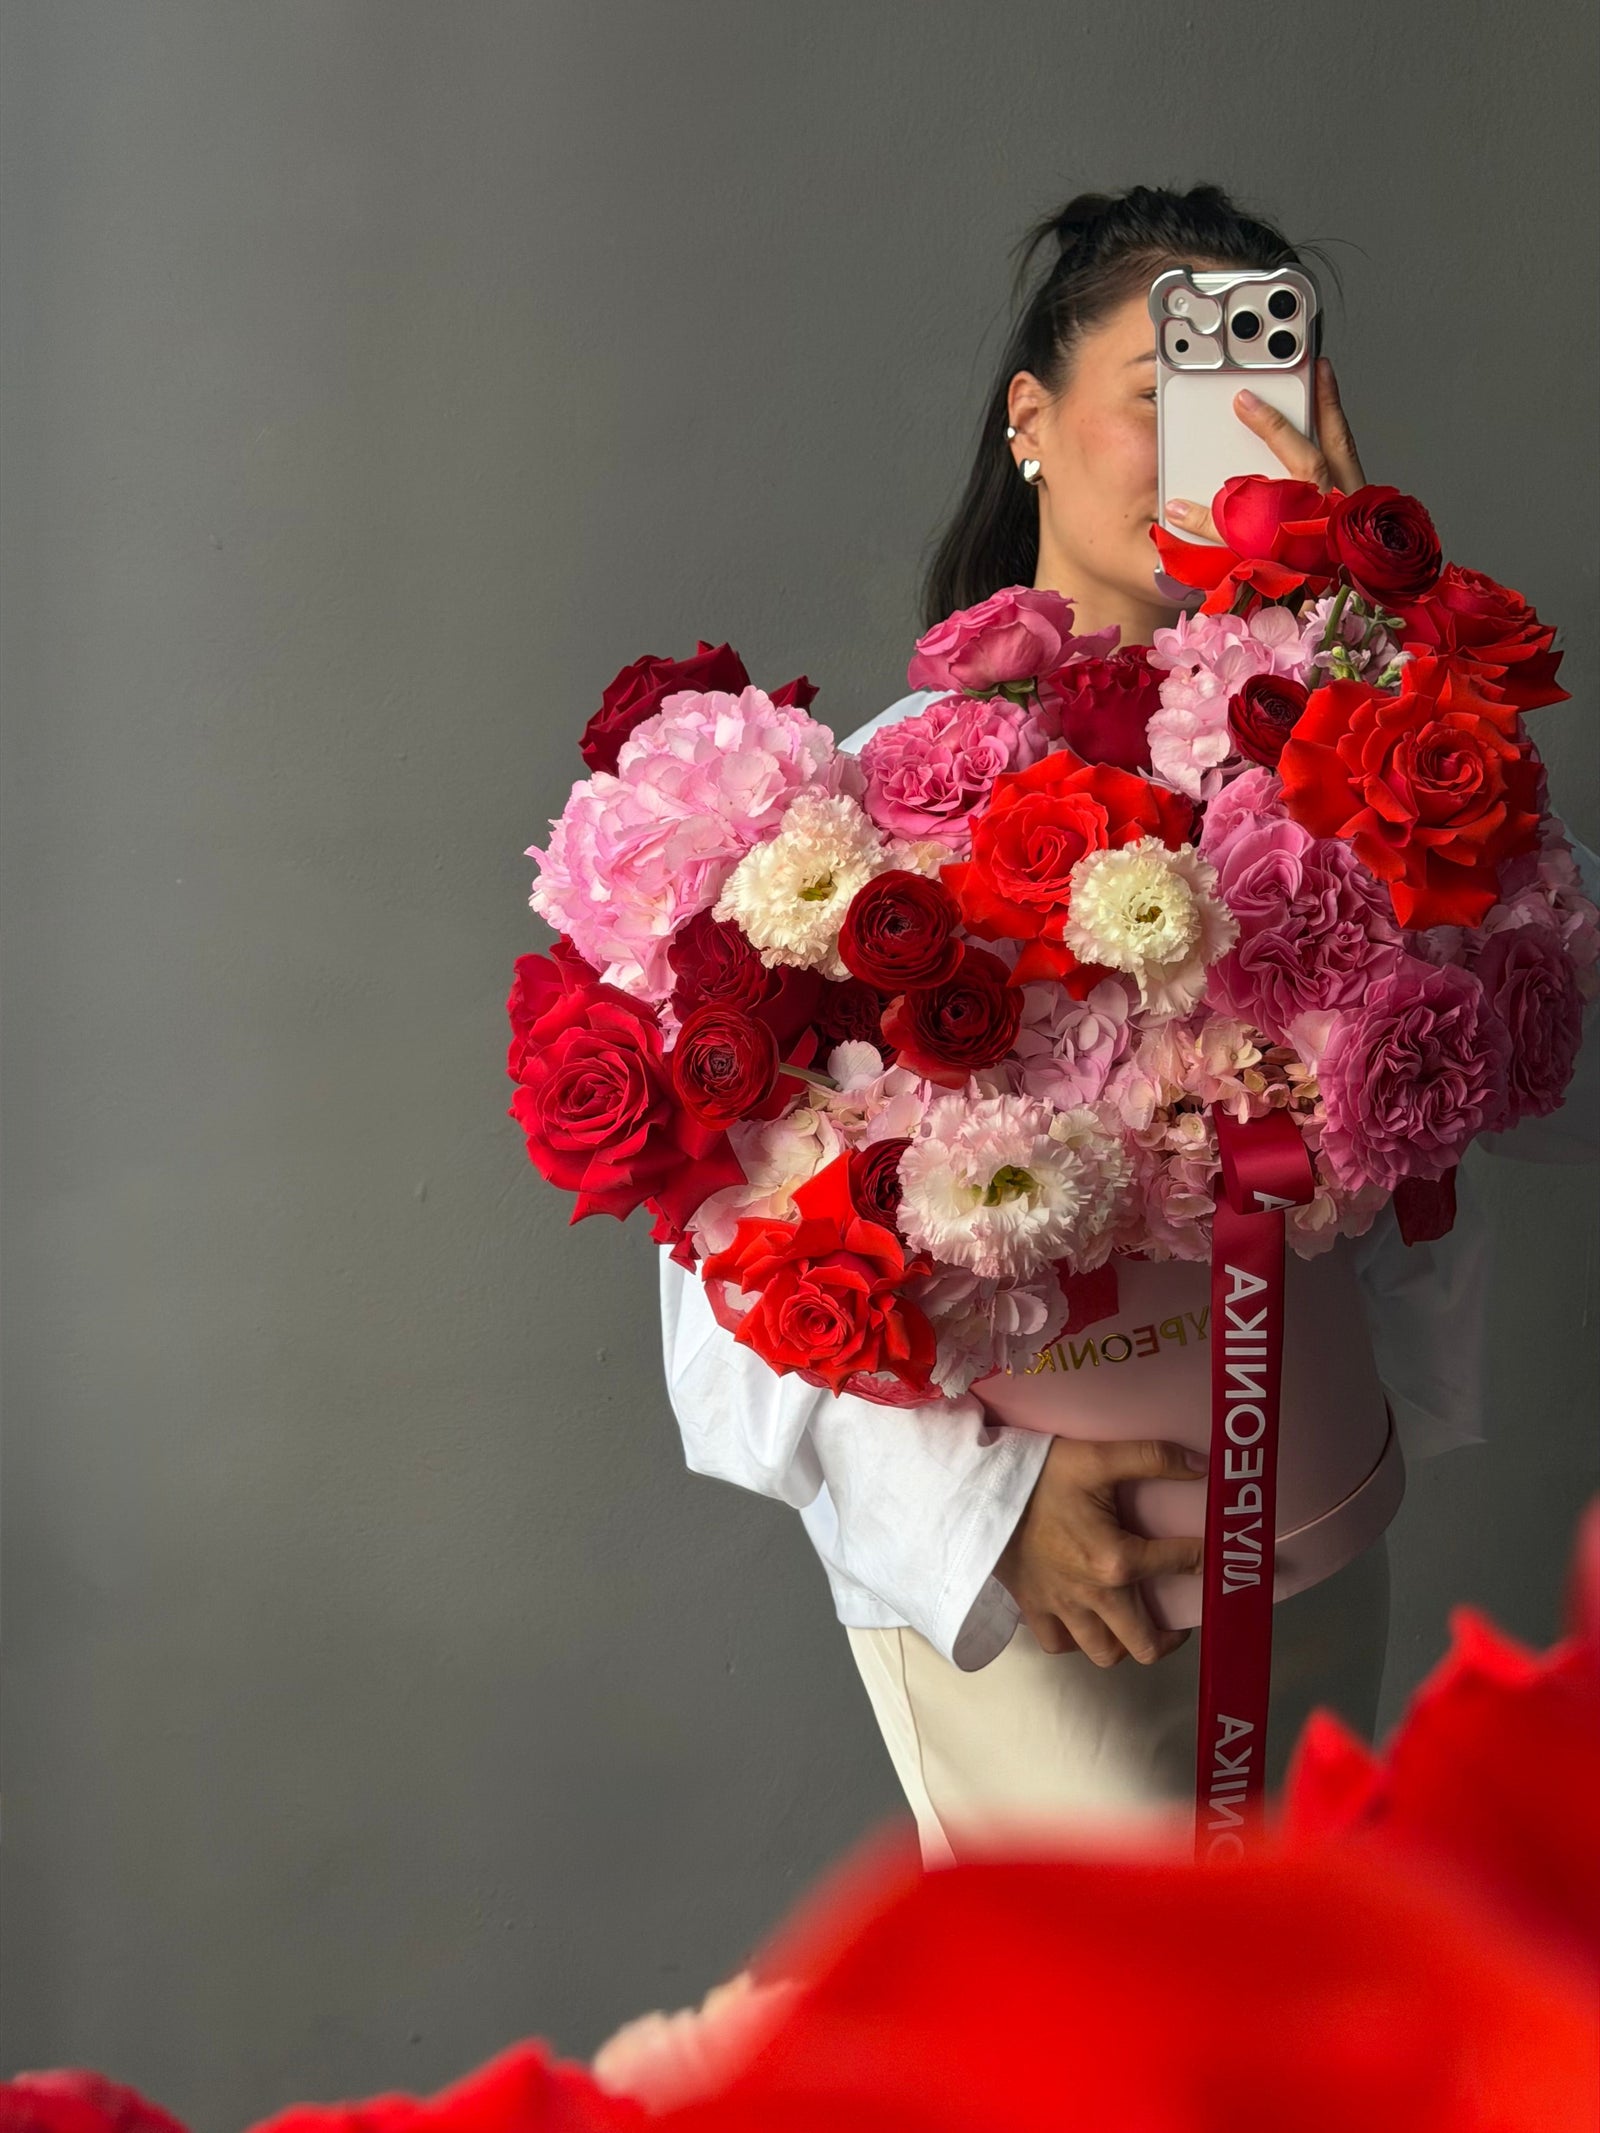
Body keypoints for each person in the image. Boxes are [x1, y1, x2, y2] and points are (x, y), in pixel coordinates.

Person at [657, 184, 1599, 1866]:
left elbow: (1549, 1043)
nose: (1216, 444)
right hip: (1046, 1584)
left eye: (1264, 397)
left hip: (1305, 1524)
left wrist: (1369, 630)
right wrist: (982, 1526)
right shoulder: (868, 801)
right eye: (1165, 390)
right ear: (1029, 418)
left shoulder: (1336, 774)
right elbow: (716, 1253)